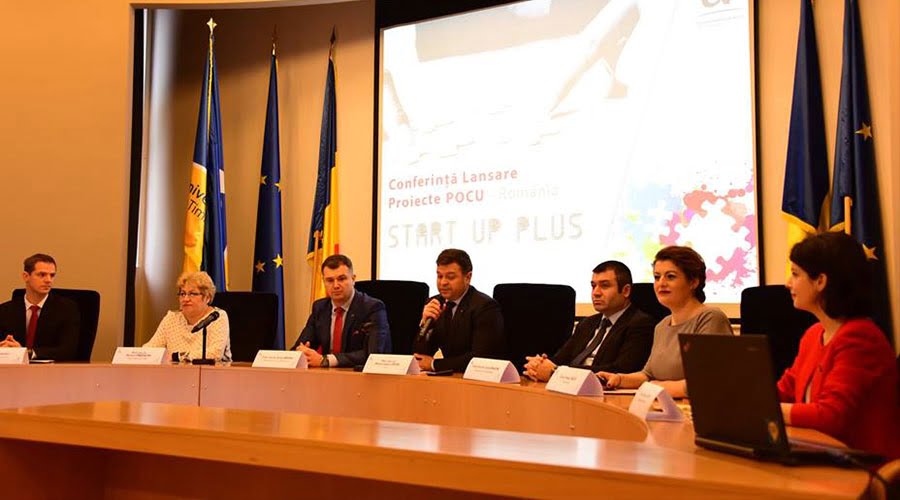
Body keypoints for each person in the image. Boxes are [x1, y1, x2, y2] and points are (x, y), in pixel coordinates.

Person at [778, 232, 899, 459]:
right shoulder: (814, 334)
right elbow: (785, 389)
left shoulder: (861, 339)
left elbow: (830, 416)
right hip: (821, 455)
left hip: (865, 466)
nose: (788, 283)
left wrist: (767, 411)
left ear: (820, 281)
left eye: (795, 274)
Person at [598, 246, 732, 397]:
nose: (661, 283)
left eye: (670, 277)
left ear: (693, 282)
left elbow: (707, 381)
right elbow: (647, 375)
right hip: (664, 405)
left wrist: (658, 388)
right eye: (657, 277)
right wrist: (618, 379)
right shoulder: (662, 325)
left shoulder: (710, 318)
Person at [523, 260, 654, 382]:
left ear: (625, 291)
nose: (596, 293)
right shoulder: (587, 323)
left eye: (604, 286)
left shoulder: (640, 324)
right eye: (593, 286)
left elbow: (621, 370)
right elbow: (559, 360)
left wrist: (556, 372)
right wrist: (538, 365)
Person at [414, 248, 505, 373]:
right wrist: (425, 325)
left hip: (479, 378)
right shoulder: (435, 303)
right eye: (439, 276)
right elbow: (420, 356)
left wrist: (435, 364)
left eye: (450, 277)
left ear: (468, 277)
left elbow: (480, 358)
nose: (443, 282)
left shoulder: (485, 307)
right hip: (450, 377)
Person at [291, 254, 391, 367]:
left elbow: (374, 354)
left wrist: (327, 360)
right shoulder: (320, 308)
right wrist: (301, 351)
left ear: (353, 279)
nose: (335, 285)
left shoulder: (372, 308)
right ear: (323, 282)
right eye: (329, 280)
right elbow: (301, 345)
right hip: (327, 375)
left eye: (341, 279)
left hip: (359, 375)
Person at [0, 254, 80, 361]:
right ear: (26, 276)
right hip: (12, 368)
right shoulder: (5, 310)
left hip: (52, 369)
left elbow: (68, 351)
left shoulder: (67, 309)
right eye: (42, 275)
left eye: (52, 275)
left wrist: (26, 353)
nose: (48, 280)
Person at [144, 271, 232, 362]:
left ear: (207, 298)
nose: (185, 299)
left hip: (212, 371)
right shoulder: (171, 318)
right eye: (182, 294)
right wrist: (138, 355)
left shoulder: (217, 317)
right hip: (176, 371)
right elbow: (151, 349)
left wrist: (177, 356)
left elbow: (215, 353)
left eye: (192, 294)